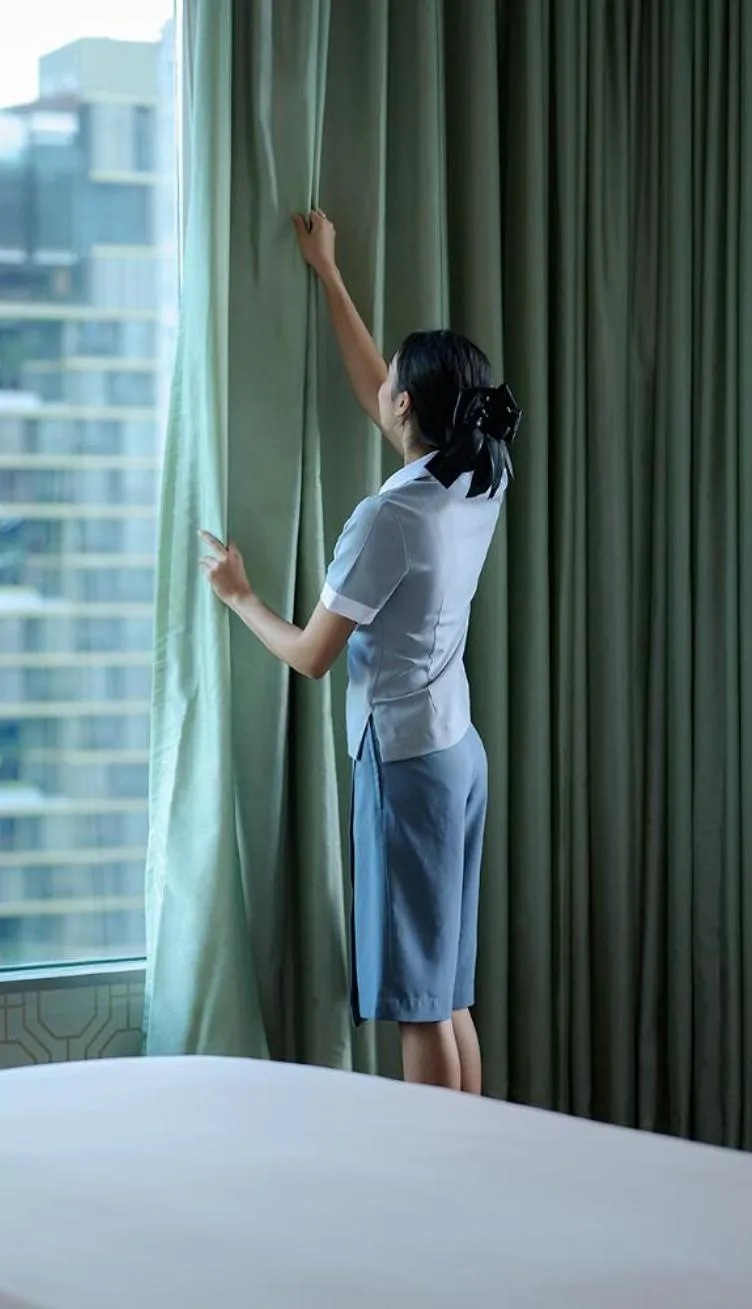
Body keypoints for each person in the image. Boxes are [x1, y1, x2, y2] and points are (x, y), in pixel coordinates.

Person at [197, 209, 518, 1093]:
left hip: (406, 763)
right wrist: (329, 274)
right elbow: (377, 384)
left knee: (418, 1000)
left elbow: (310, 655)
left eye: (396, 388)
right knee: (447, 992)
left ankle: (432, 1167)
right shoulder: (477, 475)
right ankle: (476, 1158)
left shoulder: (388, 518)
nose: (384, 391)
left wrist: (239, 596)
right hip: (457, 750)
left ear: (408, 408)